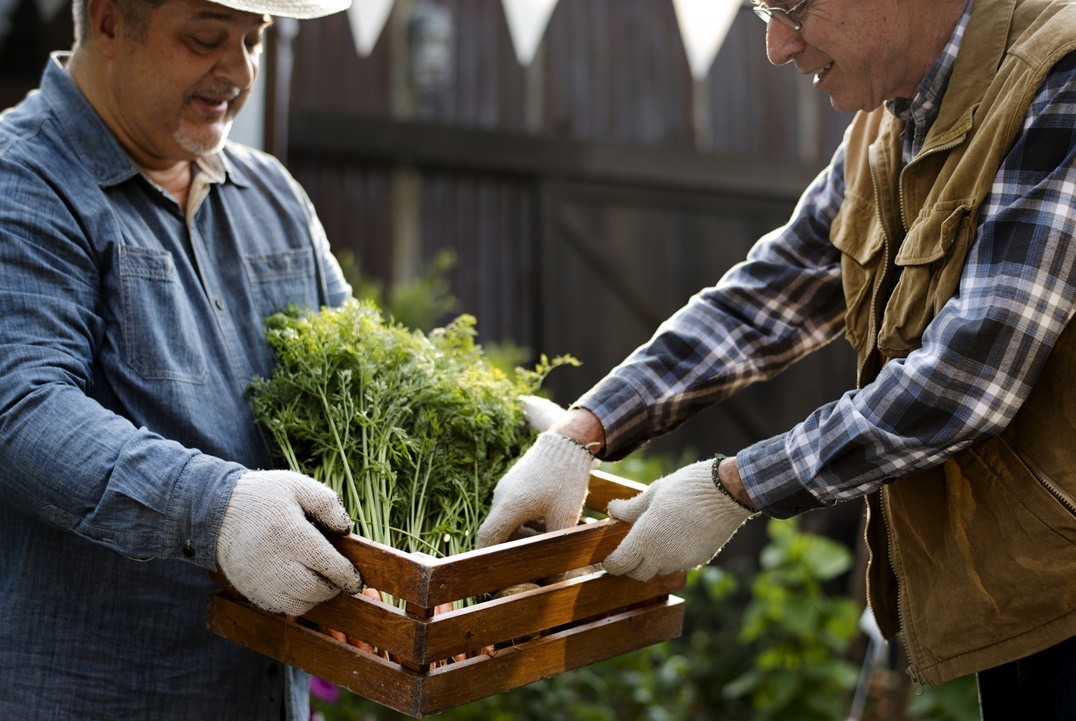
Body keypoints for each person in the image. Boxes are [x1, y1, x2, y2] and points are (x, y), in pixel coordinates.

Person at [477, 0, 1076, 717]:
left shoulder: (1059, 72)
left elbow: (971, 375)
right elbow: (766, 301)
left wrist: (734, 486)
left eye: (792, 7)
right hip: (1029, 604)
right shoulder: (890, 123)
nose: (775, 45)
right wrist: (585, 430)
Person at [0, 0, 368, 718]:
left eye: (253, 39)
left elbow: (362, 369)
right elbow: (23, 409)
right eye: (206, 36)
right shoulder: (23, 180)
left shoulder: (272, 196)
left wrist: (505, 424)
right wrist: (217, 507)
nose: (236, 69)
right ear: (109, 20)